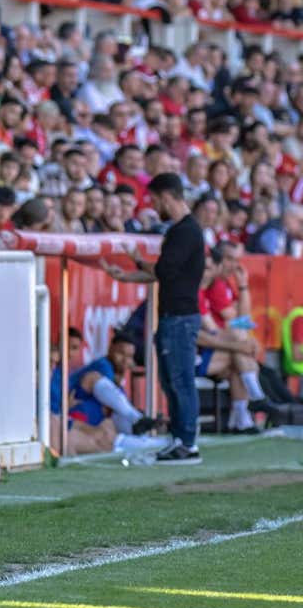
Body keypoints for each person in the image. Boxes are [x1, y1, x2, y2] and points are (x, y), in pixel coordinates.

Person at [102, 173, 205, 465]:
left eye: (155, 199)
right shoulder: (185, 230)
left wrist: (135, 260)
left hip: (179, 318)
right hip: (177, 316)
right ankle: (180, 440)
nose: (153, 205)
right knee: (173, 381)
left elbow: (163, 270)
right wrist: (127, 276)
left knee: (179, 380)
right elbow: (164, 272)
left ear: (167, 196)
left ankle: (186, 442)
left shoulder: (184, 231)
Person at [60, 330, 164, 455]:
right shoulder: (103, 366)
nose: (125, 360)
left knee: (116, 422)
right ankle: (146, 429)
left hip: (93, 422)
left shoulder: (117, 379)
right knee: (111, 425)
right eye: (121, 353)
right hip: (74, 415)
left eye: (129, 356)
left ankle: (151, 437)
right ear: (110, 349)